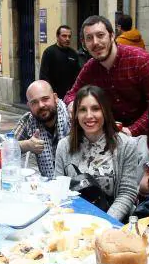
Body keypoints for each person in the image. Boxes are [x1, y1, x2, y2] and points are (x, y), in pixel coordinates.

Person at [64, 16, 149, 137]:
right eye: (89, 38)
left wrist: (131, 130)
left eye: (100, 35)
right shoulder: (90, 68)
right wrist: (72, 104)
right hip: (113, 138)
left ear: (112, 36)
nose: (95, 42)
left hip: (148, 137)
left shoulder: (143, 61)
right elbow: (71, 95)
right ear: (84, 44)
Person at [55, 85, 143, 222]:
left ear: (105, 111)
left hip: (112, 221)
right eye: (83, 110)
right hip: (73, 220)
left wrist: (105, 221)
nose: (89, 116)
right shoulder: (64, 146)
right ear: (76, 114)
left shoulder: (126, 145)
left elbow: (127, 192)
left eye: (95, 109)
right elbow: (59, 189)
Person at [13, 80, 71, 179]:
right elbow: (3, 148)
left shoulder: (71, 118)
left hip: (79, 187)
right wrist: (26, 145)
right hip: (48, 186)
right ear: (29, 106)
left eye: (45, 99)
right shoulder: (28, 120)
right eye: (34, 102)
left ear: (55, 98)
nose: (41, 105)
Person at [39, 25, 80, 101]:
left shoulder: (73, 54)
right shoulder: (49, 52)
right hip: (54, 97)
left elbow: (77, 76)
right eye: (64, 36)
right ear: (57, 37)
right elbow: (43, 76)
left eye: (69, 36)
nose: (67, 39)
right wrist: (49, 95)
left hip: (70, 97)